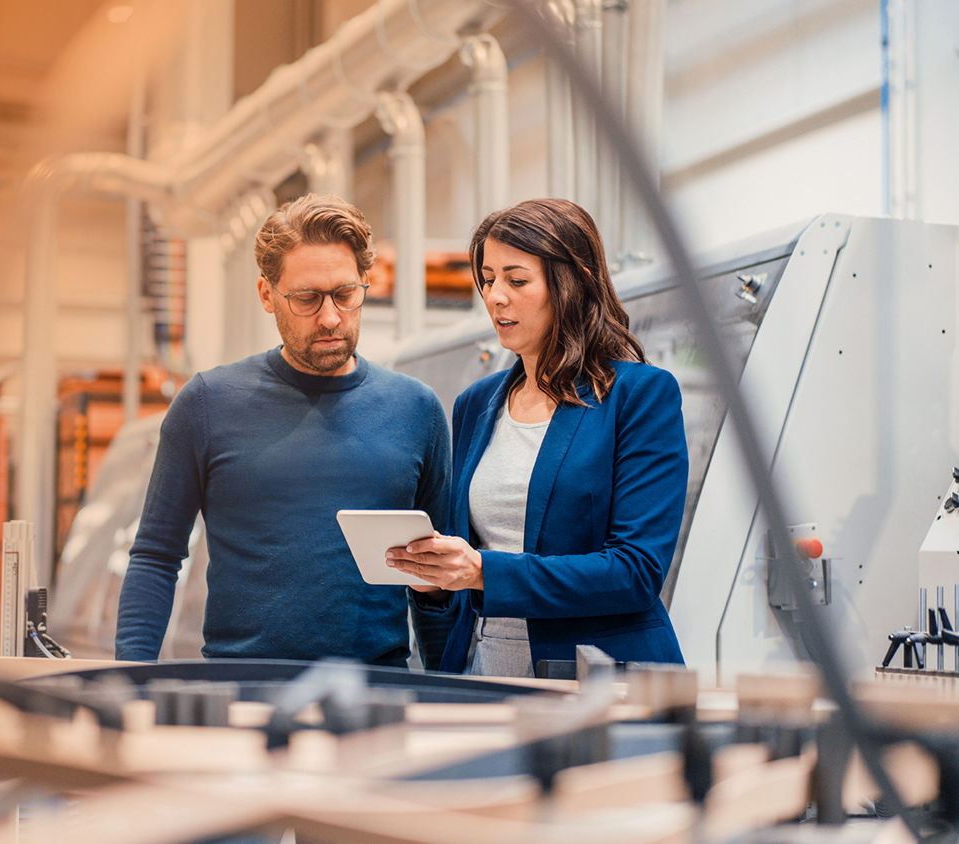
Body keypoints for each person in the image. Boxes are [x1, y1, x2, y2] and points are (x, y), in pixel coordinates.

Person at [116, 193, 456, 668]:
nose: (331, 317)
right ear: (266, 295)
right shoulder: (208, 404)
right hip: (242, 688)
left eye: (345, 294)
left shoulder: (416, 409)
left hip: (375, 692)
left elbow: (437, 577)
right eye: (307, 299)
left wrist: (446, 687)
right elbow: (156, 557)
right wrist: (131, 679)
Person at [385, 198, 688, 676]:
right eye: (488, 279)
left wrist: (483, 571)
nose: (495, 297)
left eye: (517, 280)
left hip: (596, 676)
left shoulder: (639, 395)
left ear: (570, 285)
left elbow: (635, 572)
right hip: (486, 670)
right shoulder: (475, 404)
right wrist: (436, 582)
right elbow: (468, 571)